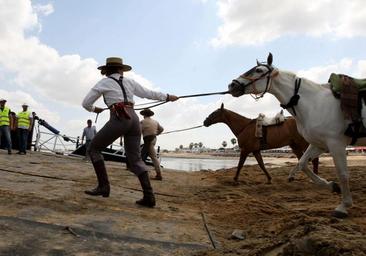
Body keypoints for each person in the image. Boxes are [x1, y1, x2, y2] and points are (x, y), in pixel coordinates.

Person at [82, 57, 178, 207]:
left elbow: (86, 103)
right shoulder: (130, 82)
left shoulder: (104, 83)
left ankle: (104, 186)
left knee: (93, 149)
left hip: (119, 118)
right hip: (134, 119)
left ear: (107, 71)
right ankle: (149, 196)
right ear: (121, 70)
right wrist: (167, 97)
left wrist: (95, 109)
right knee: (136, 160)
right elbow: (149, 93)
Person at [140, 108, 164, 180]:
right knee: (147, 154)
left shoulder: (142, 122)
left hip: (148, 140)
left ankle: (159, 174)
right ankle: (142, 170)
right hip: (153, 139)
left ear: (144, 114)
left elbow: (138, 132)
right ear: (150, 115)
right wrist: (157, 133)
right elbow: (162, 129)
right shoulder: (155, 121)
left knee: (153, 157)